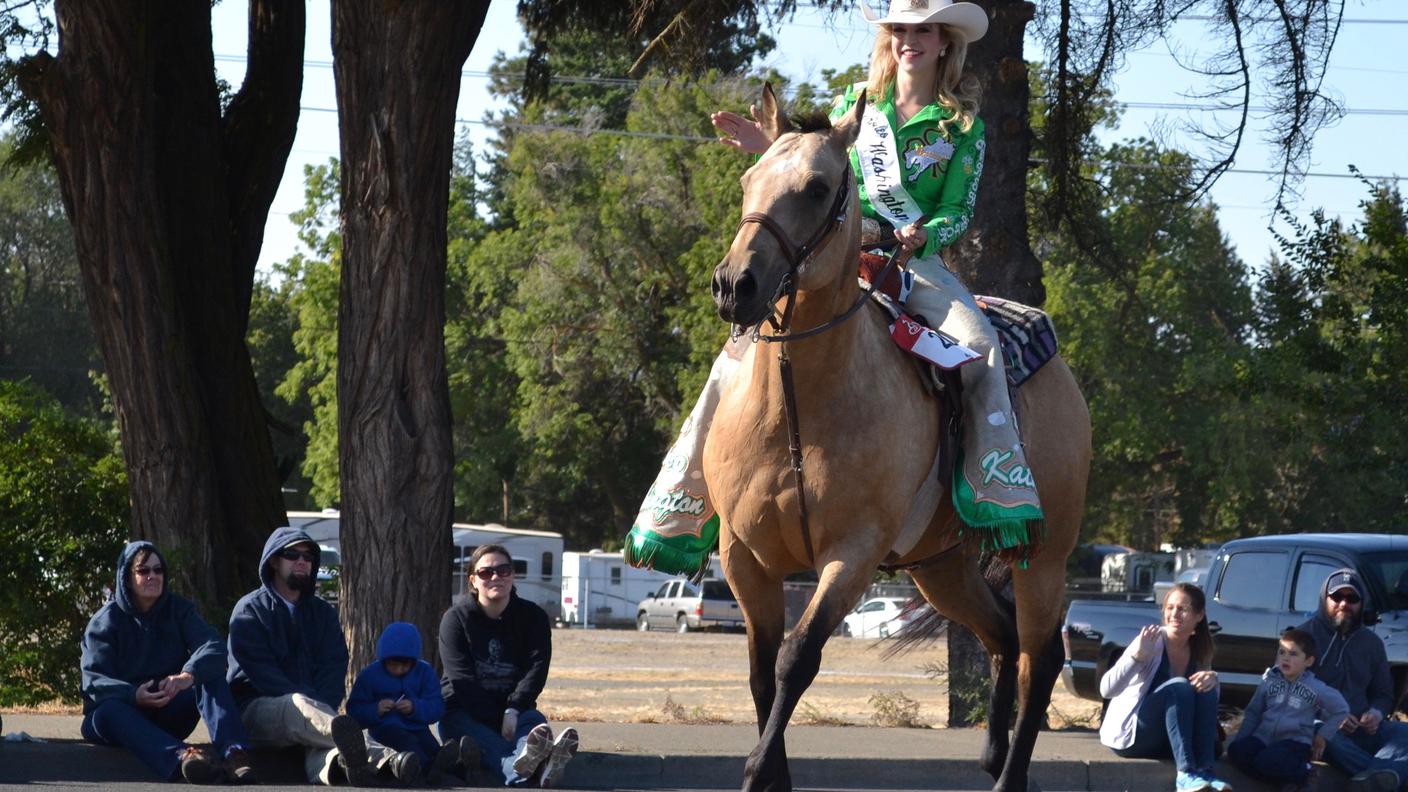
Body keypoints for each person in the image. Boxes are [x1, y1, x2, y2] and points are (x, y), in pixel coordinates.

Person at [628, 0, 1040, 576]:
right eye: (900, 29)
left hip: (914, 263)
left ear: (944, 41)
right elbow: (810, 169)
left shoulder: (961, 126)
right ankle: (684, 500)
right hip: (833, 253)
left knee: (980, 347)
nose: (909, 40)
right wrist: (767, 148)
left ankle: (994, 487)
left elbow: (958, 209)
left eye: (922, 30)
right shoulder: (854, 104)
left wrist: (927, 232)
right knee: (734, 357)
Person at [227, 527, 413, 786]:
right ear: (274, 561)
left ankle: (348, 768)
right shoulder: (250, 610)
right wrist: (313, 702)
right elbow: (263, 675)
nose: (302, 561)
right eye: (292, 555)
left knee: (330, 745)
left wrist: (320, 703)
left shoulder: (323, 613)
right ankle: (387, 758)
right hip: (256, 710)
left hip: (314, 714)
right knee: (301, 706)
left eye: (308, 557)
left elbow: (334, 666)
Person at [80, 541, 256, 784]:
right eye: (143, 571)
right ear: (127, 578)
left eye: (158, 570)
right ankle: (184, 758)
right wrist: (133, 695)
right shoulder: (104, 622)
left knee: (209, 674)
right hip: (119, 717)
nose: (152, 576)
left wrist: (187, 676)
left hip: (166, 709)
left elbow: (213, 646)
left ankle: (234, 753)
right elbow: (93, 681)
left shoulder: (179, 610)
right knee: (109, 710)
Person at [438, 545, 578, 787]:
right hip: (464, 712)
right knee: (472, 734)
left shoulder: (533, 617)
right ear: (472, 580)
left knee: (534, 724)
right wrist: (499, 718)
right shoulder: (455, 619)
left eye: (503, 570)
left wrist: (513, 710)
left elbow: (536, 670)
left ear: (512, 575)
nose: (496, 577)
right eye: (486, 572)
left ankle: (534, 764)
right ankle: (536, 767)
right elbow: (462, 680)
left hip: (517, 711)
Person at [1098, 582, 1229, 792]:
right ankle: (1185, 775)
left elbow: (1204, 706)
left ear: (1199, 615)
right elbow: (1106, 690)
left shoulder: (1201, 649)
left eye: (1183, 609)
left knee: (1206, 688)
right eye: (1170, 608)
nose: (1174, 614)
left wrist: (1213, 681)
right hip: (1136, 736)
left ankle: (1205, 771)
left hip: (1172, 740)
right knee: (1180, 687)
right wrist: (1137, 657)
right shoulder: (1150, 641)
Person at [1298, 568, 1408, 792]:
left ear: (1361, 603)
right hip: (1319, 726)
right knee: (1316, 730)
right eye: (1337, 596)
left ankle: (1371, 778)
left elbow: (1383, 694)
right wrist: (1331, 715)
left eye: (1352, 599)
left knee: (1403, 732)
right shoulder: (1302, 638)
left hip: (1360, 731)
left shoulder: (1372, 643)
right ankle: (1380, 776)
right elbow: (1287, 692)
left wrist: (1375, 714)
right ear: (1324, 598)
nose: (1344, 604)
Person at [1227, 628, 1349, 791]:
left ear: (1308, 661)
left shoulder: (1316, 687)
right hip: (1263, 738)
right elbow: (1253, 713)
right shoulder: (1268, 682)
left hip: (1294, 743)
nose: (1285, 658)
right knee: (1236, 751)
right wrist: (1241, 739)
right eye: (1282, 652)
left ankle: (1305, 771)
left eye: (1293, 654)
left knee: (1267, 760)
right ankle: (1282, 780)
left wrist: (1322, 736)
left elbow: (1341, 709)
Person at [348, 621, 462, 785]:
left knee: (430, 746)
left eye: (404, 665)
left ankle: (452, 768)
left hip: (418, 727)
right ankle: (426, 771)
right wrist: (376, 709)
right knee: (409, 745)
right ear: (384, 659)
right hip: (386, 730)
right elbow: (354, 711)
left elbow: (436, 706)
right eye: (393, 665)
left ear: (413, 662)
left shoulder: (424, 672)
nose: (399, 670)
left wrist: (415, 707)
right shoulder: (369, 675)